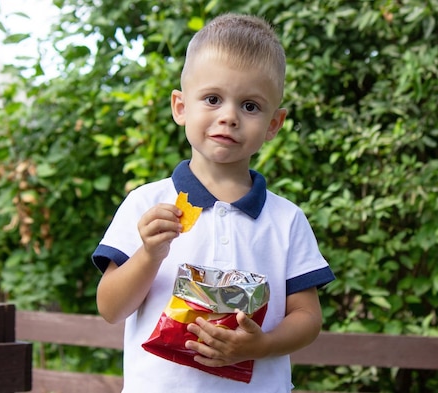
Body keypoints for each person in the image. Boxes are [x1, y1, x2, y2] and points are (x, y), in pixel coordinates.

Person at [92, 13, 335, 393]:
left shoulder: (286, 220)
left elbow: (307, 317)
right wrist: (149, 254)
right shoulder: (146, 204)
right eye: (212, 99)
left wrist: (263, 344)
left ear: (274, 124)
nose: (228, 117)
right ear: (180, 107)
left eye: (250, 106)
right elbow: (110, 308)